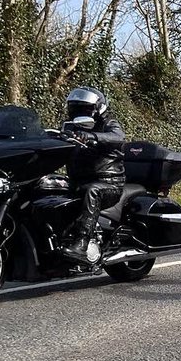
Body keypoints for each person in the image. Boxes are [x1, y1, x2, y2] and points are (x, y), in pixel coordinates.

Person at [61, 86, 126, 263]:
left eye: (85, 108)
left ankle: (82, 242)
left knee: (93, 191)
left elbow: (118, 137)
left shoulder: (109, 124)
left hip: (108, 183)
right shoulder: (70, 127)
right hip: (77, 180)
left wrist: (93, 137)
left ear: (98, 108)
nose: (79, 111)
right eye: (76, 107)